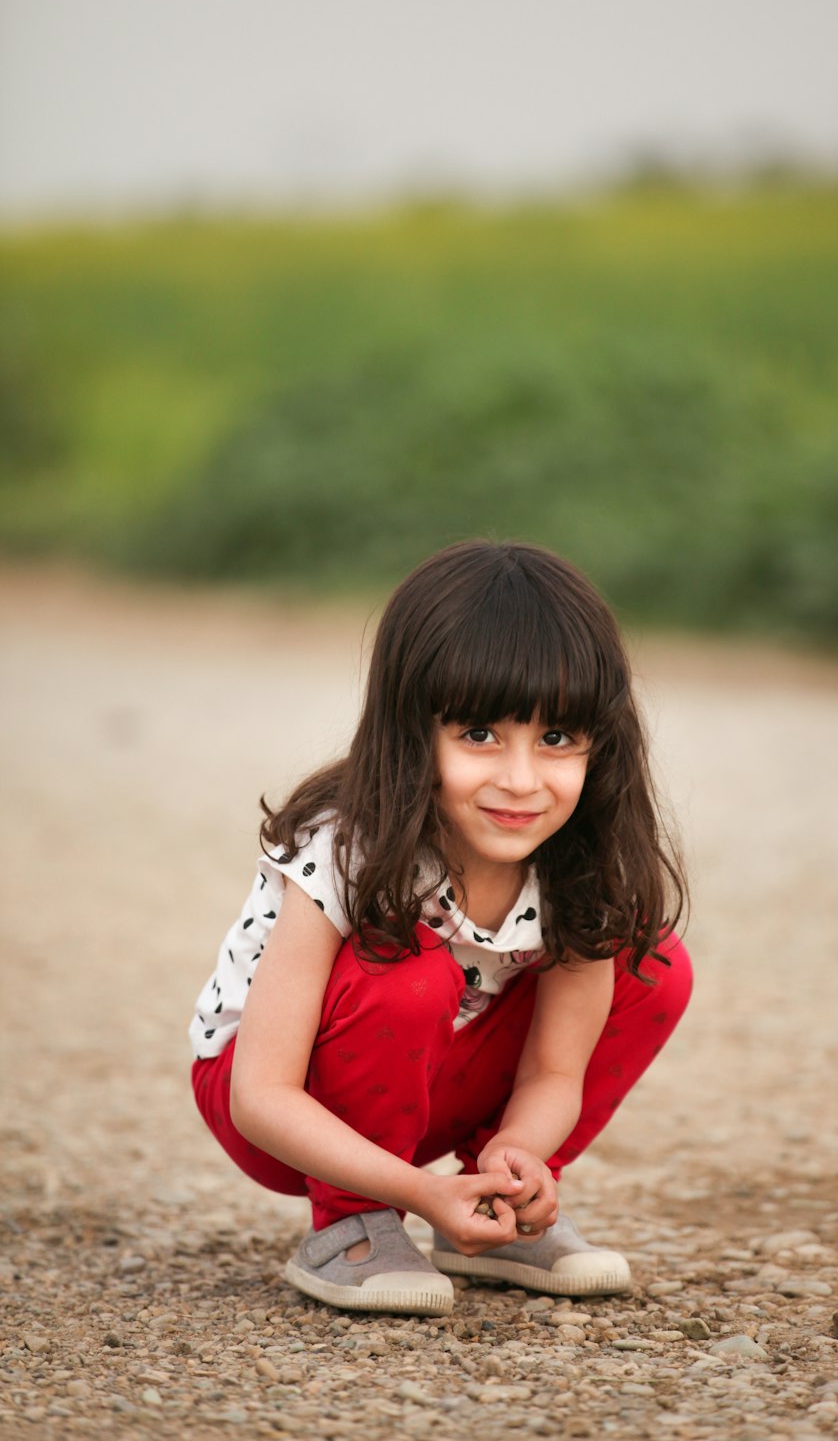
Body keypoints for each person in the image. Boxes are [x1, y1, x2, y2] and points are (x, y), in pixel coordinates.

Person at [190, 539, 693, 1315]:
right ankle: (350, 1224)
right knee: (411, 974)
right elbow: (263, 1093)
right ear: (411, 730)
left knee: (653, 964)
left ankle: (494, 1219)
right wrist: (420, 1190)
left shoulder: (579, 859)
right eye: (479, 735)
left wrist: (514, 1161)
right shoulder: (347, 847)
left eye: (556, 738)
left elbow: (555, 1074)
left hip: (432, 1076)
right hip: (271, 1100)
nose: (522, 781)